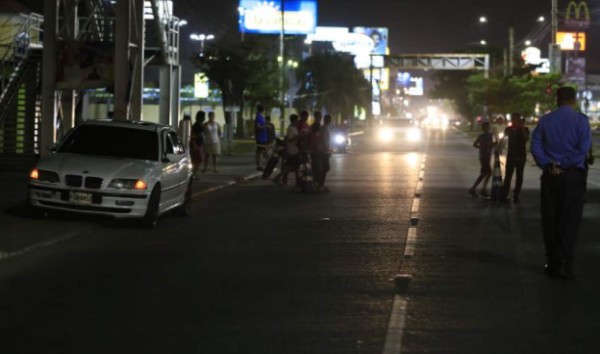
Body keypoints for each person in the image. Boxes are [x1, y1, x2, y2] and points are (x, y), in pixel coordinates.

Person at [531, 86, 591, 279]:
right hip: (572, 175)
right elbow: (582, 148)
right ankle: (565, 262)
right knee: (569, 219)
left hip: (550, 175)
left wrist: (548, 164)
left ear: (557, 100)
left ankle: (553, 262)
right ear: (573, 100)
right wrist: (564, 164)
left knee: (550, 218)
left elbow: (536, 145)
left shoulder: (546, 121)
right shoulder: (581, 121)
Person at [500, 113, 530, 203]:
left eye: (517, 119)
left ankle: (516, 194)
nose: (515, 121)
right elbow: (503, 140)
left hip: (521, 156)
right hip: (511, 156)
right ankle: (504, 194)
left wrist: (522, 127)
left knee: (519, 176)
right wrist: (499, 148)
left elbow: (526, 139)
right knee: (508, 176)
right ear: (512, 120)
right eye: (513, 119)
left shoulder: (525, 129)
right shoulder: (508, 129)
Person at [468, 121, 495, 197]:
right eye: (486, 127)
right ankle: (478, 189)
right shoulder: (482, 136)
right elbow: (475, 144)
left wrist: (491, 145)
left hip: (488, 156)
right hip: (483, 156)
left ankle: (479, 188)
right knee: (486, 173)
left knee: (486, 173)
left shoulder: (491, 135)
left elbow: (494, 143)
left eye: (488, 127)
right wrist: (482, 146)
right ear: (483, 128)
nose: (488, 128)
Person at [274, 114, 300, 187]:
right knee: (291, 167)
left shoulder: (294, 128)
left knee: (295, 167)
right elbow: (289, 139)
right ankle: (278, 177)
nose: (298, 121)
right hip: (292, 150)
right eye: (297, 120)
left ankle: (297, 181)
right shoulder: (290, 128)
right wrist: (297, 137)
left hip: (295, 149)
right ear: (294, 120)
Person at [317, 114, 333, 191]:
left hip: (323, 150)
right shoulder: (324, 129)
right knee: (325, 167)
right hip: (323, 151)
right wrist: (327, 149)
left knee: (324, 168)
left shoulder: (324, 128)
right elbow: (323, 139)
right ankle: (320, 184)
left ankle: (320, 184)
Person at [190, 111, 205, 177]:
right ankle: (193, 173)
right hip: (196, 145)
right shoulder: (197, 125)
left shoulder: (199, 125)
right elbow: (192, 136)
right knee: (197, 160)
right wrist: (195, 145)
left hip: (199, 144)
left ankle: (194, 173)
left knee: (197, 160)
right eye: (204, 117)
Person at [254, 105, 268, 171]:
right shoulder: (259, 117)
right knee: (260, 151)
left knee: (262, 151)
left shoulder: (261, 117)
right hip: (260, 137)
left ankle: (261, 164)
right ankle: (259, 165)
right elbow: (258, 127)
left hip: (263, 136)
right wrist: (265, 126)